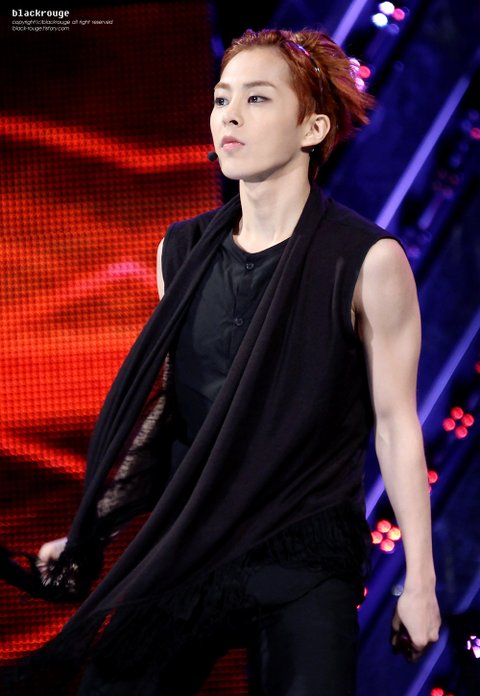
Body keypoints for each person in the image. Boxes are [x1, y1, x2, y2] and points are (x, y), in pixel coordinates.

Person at [10, 27, 440, 695]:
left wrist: (421, 582)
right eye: (221, 98)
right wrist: (90, 530)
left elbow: (395, 425)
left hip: (302, 547)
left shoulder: (367, 261)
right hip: (194, 537)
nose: (229, 116)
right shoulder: (180, 250)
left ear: (313, 128)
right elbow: (175, 409)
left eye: (257, 99)